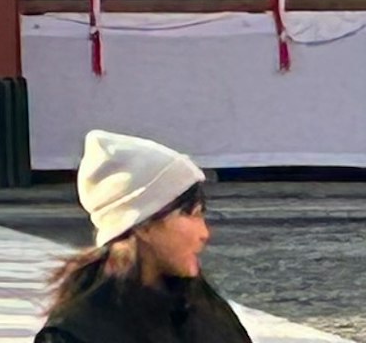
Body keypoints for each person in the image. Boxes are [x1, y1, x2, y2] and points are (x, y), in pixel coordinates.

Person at [36, 131, 250, 343]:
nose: (204, 233)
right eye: (190, 215)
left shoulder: (202, 307)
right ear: (143, 226)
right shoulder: (78, 332)